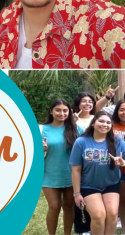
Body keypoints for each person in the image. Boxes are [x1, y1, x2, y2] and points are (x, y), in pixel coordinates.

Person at [70, 112, 125, 235]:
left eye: (108, 122)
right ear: (93, 123)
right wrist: (77, 193)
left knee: (112, 214)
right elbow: (76, 169)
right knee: (99, 215)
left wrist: (123, 163)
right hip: (89, 186)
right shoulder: (81, 142)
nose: (104, 125)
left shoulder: (117, 141)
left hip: (111, 185)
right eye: (101, 121)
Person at [41, 99, 84, 235]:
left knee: (69, 206)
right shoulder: (42, 129)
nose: (62, 113)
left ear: (69, 112)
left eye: (65, 110)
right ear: (51, 111)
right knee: (54, 206)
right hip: (49, 173)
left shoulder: (76, 128)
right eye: (58, 110)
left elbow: (87, 145)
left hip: (71, 174)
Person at [110, 100, 125, 235]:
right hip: (115, 171)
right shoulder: (110, 127)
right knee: (118, 202)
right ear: (117, 112)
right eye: (121, 109)